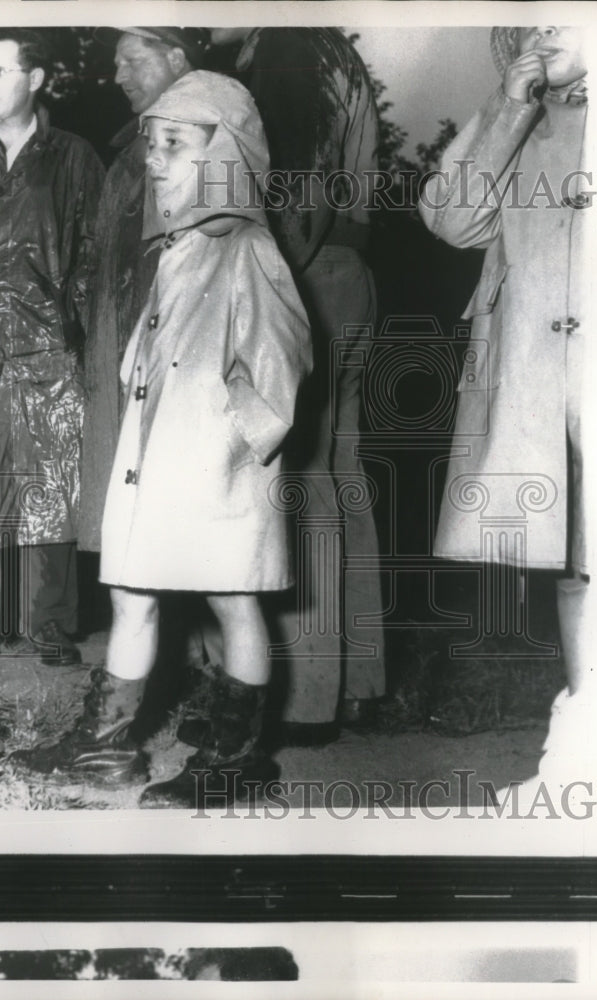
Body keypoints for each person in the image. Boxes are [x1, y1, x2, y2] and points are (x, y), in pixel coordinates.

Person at [12, 70, 312, 807]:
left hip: (216, 471)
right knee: (131, 594)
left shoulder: (246, 247)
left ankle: (232, 758)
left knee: (235, 602)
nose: (154, 158)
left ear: (225, 154)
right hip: (157, 466)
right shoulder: (178, 247)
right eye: (151, 142)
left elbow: (282, 368)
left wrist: (228, 443)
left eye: (174, 144)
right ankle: (106, 746)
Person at [418, 26, 589, 791]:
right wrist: (508, 107)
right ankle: (586, 732)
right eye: (531, 24)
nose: (542, 34)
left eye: (564, 18)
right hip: (539, 378)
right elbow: (453, 220)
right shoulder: (523, 117)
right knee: (574, 564)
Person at [206, 27, 386, 744]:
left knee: (295, 478)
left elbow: (297, 194)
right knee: (341, 474)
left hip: (302, 274)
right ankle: (358, 684)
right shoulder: (327, 48)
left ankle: (302, 697)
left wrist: (250, 287)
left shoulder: (284, 48)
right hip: (350, 273)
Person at [0, 29, 104, 666]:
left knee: (48, 481)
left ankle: (49, 626)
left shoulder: (73, 157)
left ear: (35, 79)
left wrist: (81, 338)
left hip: (47, 347)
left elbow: (91, 250)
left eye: (1, 70)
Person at [77, 27, 209, 554]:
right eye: (115, 63)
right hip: (121, 351)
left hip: (174, 354)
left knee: (183, 525)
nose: (117, 76)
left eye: (132, 59)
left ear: (176, 58)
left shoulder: (206, 138)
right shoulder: (130, 150)